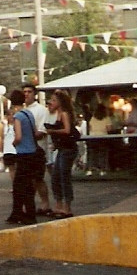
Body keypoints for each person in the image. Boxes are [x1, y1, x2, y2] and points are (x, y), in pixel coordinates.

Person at [5, 89, 39, 225]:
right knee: (28, 185)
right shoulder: (29, 113)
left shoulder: (18, 116)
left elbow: (18, 136)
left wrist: (14, 143)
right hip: (33, 152)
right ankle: (25, 212)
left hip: (23, 153)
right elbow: (35, 132)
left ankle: (20, 213)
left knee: (19, 186)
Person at [45, 89, 79, 219]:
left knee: (63, 176)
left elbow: (67, 130)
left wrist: (53, 131)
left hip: (68, 149)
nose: (51, 102)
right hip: (62, 148)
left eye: (54, 100)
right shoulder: (57, 114)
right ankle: (59, 204)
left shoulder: (64, 114)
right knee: (56, 176)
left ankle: (66, 206)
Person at [22, 83, 52, 216]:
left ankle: (45, 203)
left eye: (29, 92)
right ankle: (30, 204)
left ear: (34, 94)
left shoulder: (41, 110)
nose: (26, 94)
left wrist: (26, 136)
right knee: (27, 179)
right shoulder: (21, 110)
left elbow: (42, 131)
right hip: (24, 150)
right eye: (24, 92)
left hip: (37, 148)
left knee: (38, 178)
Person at [87, 103, 111, 176]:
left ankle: (90, 169)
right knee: (102, 153)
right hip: (103, 136)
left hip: (93, 137)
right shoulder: (107, 118)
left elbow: (90, 127)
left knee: (92, 154)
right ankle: (102, 170)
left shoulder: (93, 118)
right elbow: (109, 128)